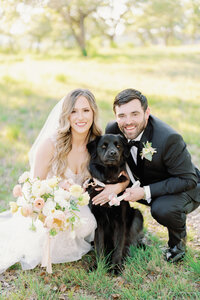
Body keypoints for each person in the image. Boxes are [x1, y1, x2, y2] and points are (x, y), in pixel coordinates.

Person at [0, 88, 103, 273]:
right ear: (66, 115)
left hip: (77, 205)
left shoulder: (98, 144)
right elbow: (34, 188)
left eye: (86, 110)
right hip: (47, 205)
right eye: (74, 111)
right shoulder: (50, 144)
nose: (80, 117)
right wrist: (55, 197)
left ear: (93, 112)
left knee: (86, 222)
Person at [93, 88, 200, 263]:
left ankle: (177, 244)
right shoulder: (114, 129)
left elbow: (188, 179)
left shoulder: (168, 138)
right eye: (122, 115)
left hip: (185, 187)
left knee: (163, 209)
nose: (128, 122)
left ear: (147, 112)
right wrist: (118, 185)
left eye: (135, 114)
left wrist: (144, 191)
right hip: (142, 184)